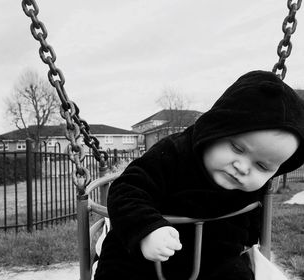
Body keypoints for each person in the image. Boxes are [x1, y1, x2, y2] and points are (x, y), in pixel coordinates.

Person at [94, 70, 304, 280]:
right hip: (146, 256)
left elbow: (253, 212)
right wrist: (146, 229)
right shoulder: (174, 153)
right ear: (215, 129)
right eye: (237, 148)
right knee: (117, 265)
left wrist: (251, 235)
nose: (243, 168)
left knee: (238, 273)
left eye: (262, 166)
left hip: (215, 261)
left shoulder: (251, 185)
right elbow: (127, 189)